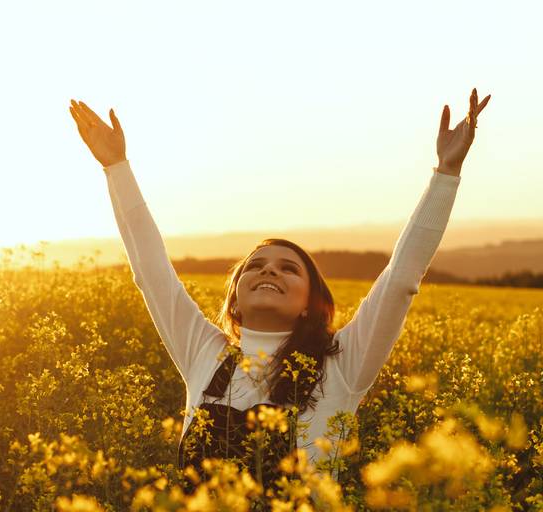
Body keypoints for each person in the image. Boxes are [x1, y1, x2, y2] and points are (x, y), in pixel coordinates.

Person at [68, 89, 491, 494]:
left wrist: (446, 174)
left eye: (289, 269)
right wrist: (116, 167)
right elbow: (150, 269)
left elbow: (400, 279)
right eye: (256, 265)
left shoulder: (342, 366)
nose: (269, 270)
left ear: (311, 303)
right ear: (235, 297)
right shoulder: (204, 353)